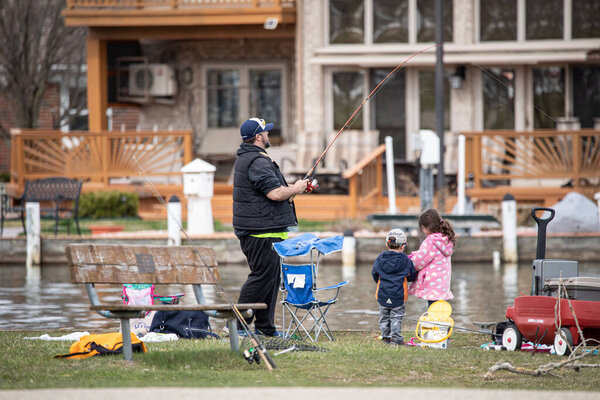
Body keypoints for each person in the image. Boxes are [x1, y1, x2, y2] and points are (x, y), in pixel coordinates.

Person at [233, 117, 309, 336]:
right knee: (260, 277)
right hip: (260, 233)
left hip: (267, 230)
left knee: (271, 279)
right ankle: (238, 327)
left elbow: (269, 195)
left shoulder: (253, 158)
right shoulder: (257, 161)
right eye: (265, 132)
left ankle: (265, 328)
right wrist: (295, 188)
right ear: (258, 137)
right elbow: (275, 193)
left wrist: (293, 192)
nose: (268, 135)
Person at [371, 228, 417, 345]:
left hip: (382, 293)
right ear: (403, 246)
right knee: (396, 317)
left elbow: (374, 274)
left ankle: (386, 337)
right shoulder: (406, 260)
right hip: (399, 294)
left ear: (387, 244)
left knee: (384, 316)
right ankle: (396, 339)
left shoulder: (380, 258)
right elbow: (412, 276)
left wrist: (381, 282)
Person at [408, 208, 456, 308]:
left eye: (423, 228)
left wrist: (410, 259)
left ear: (428, 227)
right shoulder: (446, 240)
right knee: (439, 311)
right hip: (442, 285)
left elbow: (419, 262)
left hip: (432, 285)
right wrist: (416, 254)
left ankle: (434, 324)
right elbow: (429, 255)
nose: (423, 231)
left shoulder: (431, 241)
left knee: (432, 311)